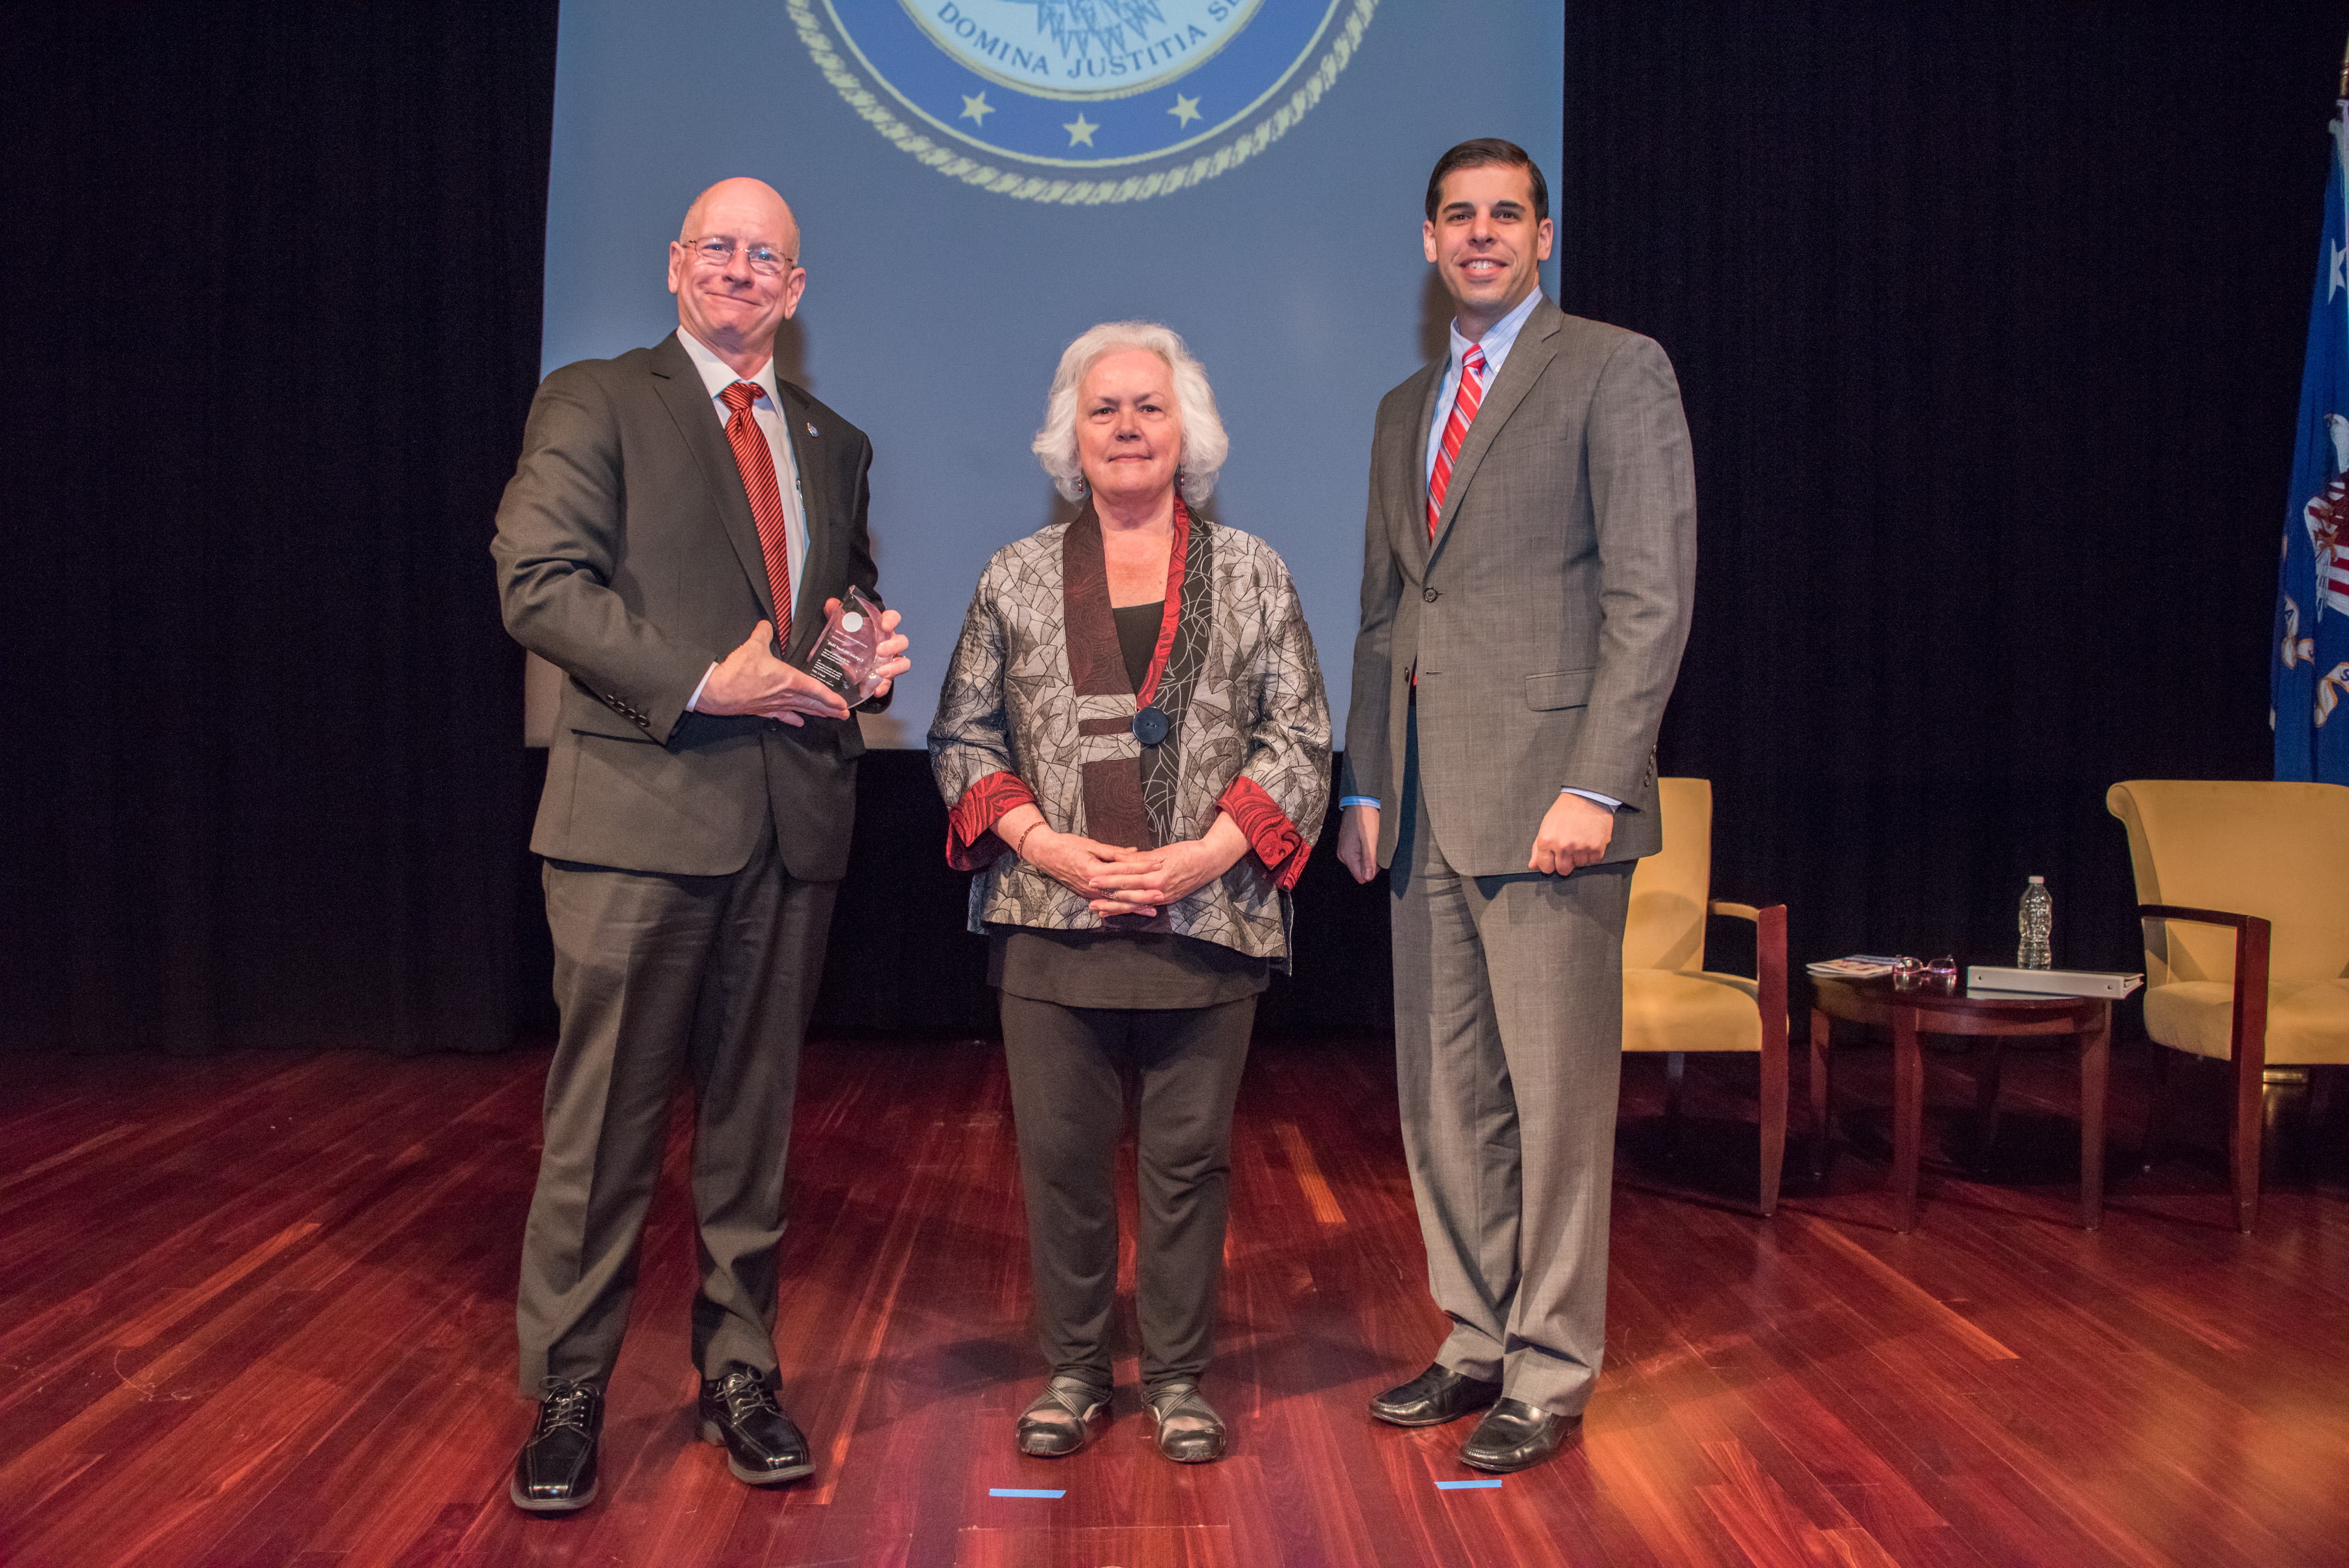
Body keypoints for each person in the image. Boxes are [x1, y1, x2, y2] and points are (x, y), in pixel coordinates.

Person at [490, 176, 910, 1512]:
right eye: (717, 248)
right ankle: (568, 1390)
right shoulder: (595, 399)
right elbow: (538, 585)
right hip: (634, 825)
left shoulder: (834, 441)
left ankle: (740, 1372)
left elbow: (840, 600)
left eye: (766, 256)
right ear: (677, 266)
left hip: (791, 826)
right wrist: (700, 681)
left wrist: (867, 656)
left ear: (795, 288)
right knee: (600, 1130)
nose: (739, 270)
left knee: (755, 1129)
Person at [1335, 139, 1695, 1472]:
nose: (1479, 234)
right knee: (1444, 1101)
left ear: (1542, 237)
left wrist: (1593, 785)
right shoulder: (1396, 409)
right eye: (1455, 217)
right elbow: (1386, 613)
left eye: (1505, 215)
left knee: (1552, 1106)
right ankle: (1472, 1337)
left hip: (1553, 807)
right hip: (1422, 799)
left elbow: (1647, 599)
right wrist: (1364, 781)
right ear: (1428, 243)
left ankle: (1550, 1366)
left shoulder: (1613, 368)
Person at [929, 321, 1330, 1465]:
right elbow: (960, 738)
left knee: (1188, 1168)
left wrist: (1206, 853)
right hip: (1050, 924)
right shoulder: (1012, 575)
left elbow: (1298, 739)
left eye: (1146, 406)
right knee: (1060, 1166)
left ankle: (1177, 1379)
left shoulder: (1253, 570)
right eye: (1102, 409)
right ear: (1070, 436)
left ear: (1186, 431)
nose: (1124, 427)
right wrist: (1044, 845)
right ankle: (1069, 1372)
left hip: (1210, 922)